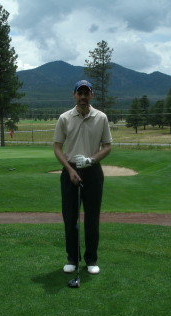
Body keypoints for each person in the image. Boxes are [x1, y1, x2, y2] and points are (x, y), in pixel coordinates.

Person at [53, 80, 112, 275]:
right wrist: (70, 170)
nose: (83, 97)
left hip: (93, 171)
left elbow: (107, 146)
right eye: (80, 93)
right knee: (70, 218)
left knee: (92, 218)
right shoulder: (64, 118)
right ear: (74, 95)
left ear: (92, 95)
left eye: (87, 93)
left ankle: (91, 259)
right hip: (70, 170)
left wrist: (91, 160)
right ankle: (72, 258)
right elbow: (57, 147)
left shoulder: (101, 117)